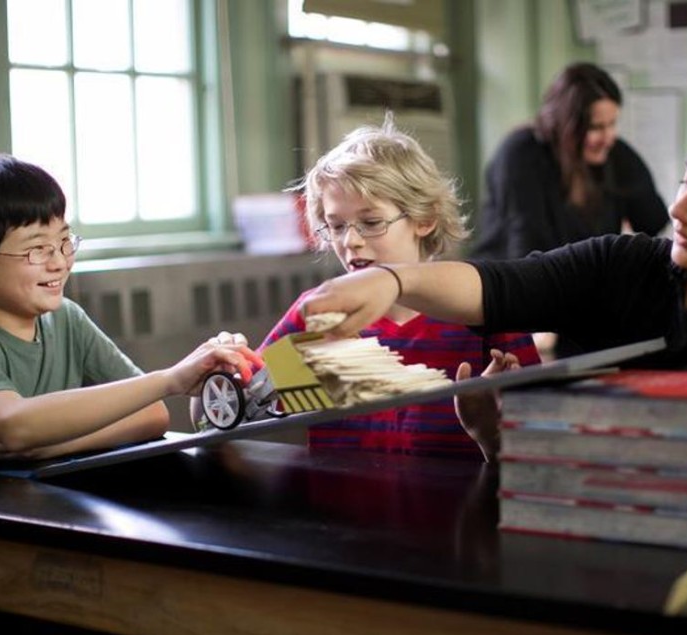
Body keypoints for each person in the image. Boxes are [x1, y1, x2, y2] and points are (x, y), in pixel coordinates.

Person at [299, 100, 687, 480]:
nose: (680, 209)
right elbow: (501, 283)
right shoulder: (627, 265)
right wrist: (392, 279)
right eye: (685, 182)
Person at [192, 114, 540, 462]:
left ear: (425, 219)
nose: (351, 241)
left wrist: (490, 433)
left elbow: (541, 443)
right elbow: (223, 417)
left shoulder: (483, 312)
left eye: (371, 223)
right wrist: (216, 374)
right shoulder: (318, 318)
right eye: (336, 226)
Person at [0, 154, 262, 470]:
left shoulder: (66, 318)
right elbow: (14, 425)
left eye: (64, 242)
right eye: (37, 249)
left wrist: (50, 446)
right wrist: (169, 379)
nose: (58, 262)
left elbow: (152, 414)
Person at [473, 61, 669, 260]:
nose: (608, 137)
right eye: (595, 127)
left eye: (612, 123)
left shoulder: (612, 152)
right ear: (566, 125)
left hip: (571, 280)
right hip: (511, 281)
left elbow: (652, 221)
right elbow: (526, 253)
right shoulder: (521, 153)